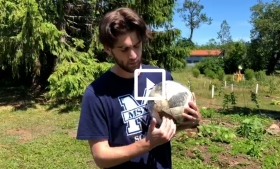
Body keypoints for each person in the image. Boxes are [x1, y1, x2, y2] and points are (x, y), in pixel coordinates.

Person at [76, 7, 201, 169]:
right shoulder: (96, 93)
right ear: (108, 49)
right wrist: (146, 144)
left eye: (137, 45)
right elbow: (101, 157)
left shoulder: (162, 78)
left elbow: (166, 129)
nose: (133, 55)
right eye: (124, 49)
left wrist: (190, 121)